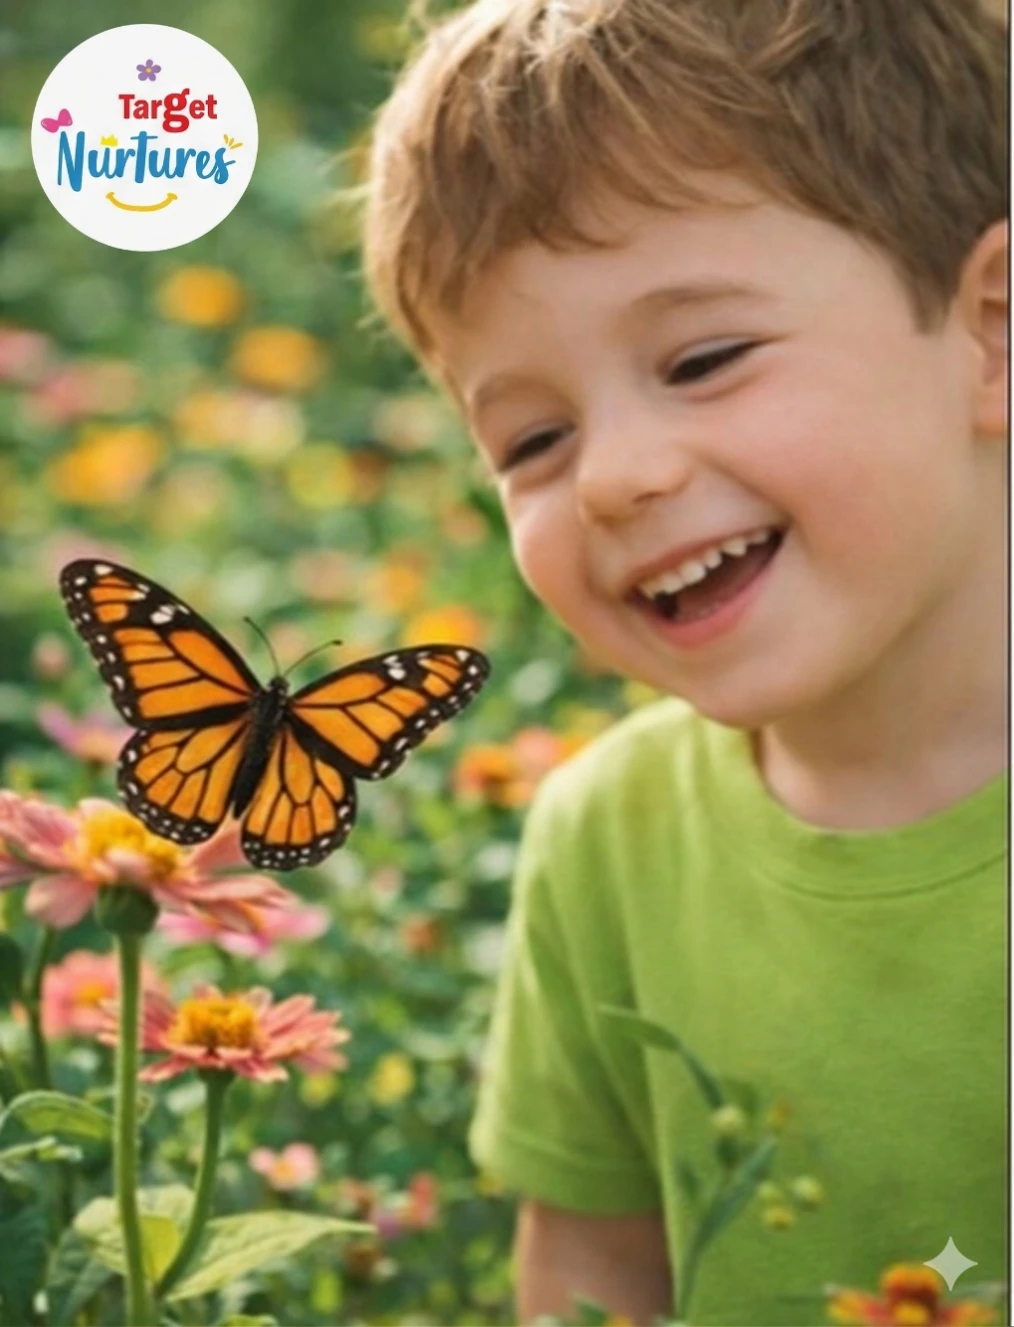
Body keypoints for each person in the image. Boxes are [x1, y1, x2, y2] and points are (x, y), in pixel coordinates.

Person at [360, 2, 1009, 1322]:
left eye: (701, 359)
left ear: (990, 330)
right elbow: (595, 1276)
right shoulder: (605, 840)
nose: (612, 477)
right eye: (531, 440)